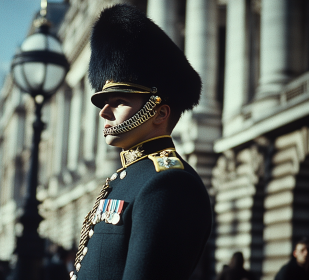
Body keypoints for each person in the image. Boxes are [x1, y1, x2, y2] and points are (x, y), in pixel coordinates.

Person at [69, 4, 212, 280]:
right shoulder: (128, 176)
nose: (104, 112)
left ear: (159, 113)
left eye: (119, 101)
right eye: (104, 102)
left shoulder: (168, 183)